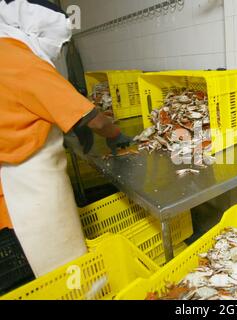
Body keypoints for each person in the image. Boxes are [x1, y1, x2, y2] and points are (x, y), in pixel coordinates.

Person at [0, 0, 132, 277]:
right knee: (57, 267)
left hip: (11, 180)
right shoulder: (22, 62)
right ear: (39, 34)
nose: (58, 52)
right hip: (25, 186)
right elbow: (91, 117)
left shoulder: (5, 53)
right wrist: (116, 134)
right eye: (58, 45)